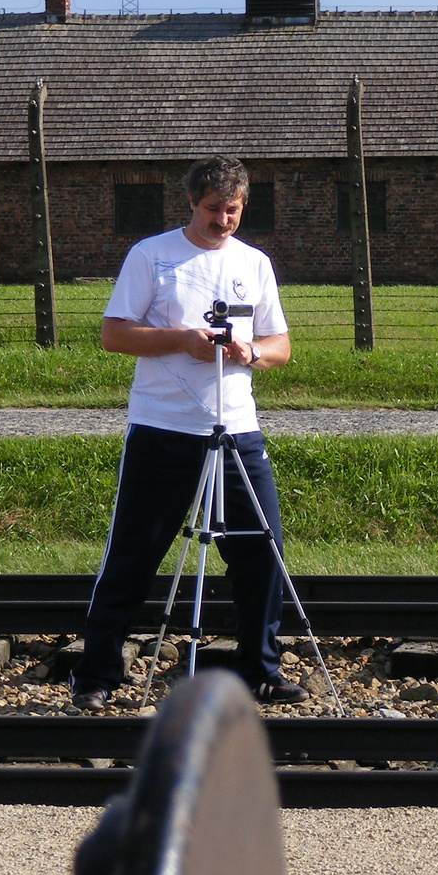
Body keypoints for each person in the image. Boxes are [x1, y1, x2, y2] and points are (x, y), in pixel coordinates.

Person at [69, 155, 309, 712]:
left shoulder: (255, 263)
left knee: (261, 555)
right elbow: (114, 335)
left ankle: (262, 670)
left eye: (233, 210)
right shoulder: (151, 256)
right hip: (164, 428)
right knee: (133, 555)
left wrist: (252, 353)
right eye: (212, 210)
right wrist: (182, 340)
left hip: (238, 432)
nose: (223, 221)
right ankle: (96, 674)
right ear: (191, 205)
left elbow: (282, 345)